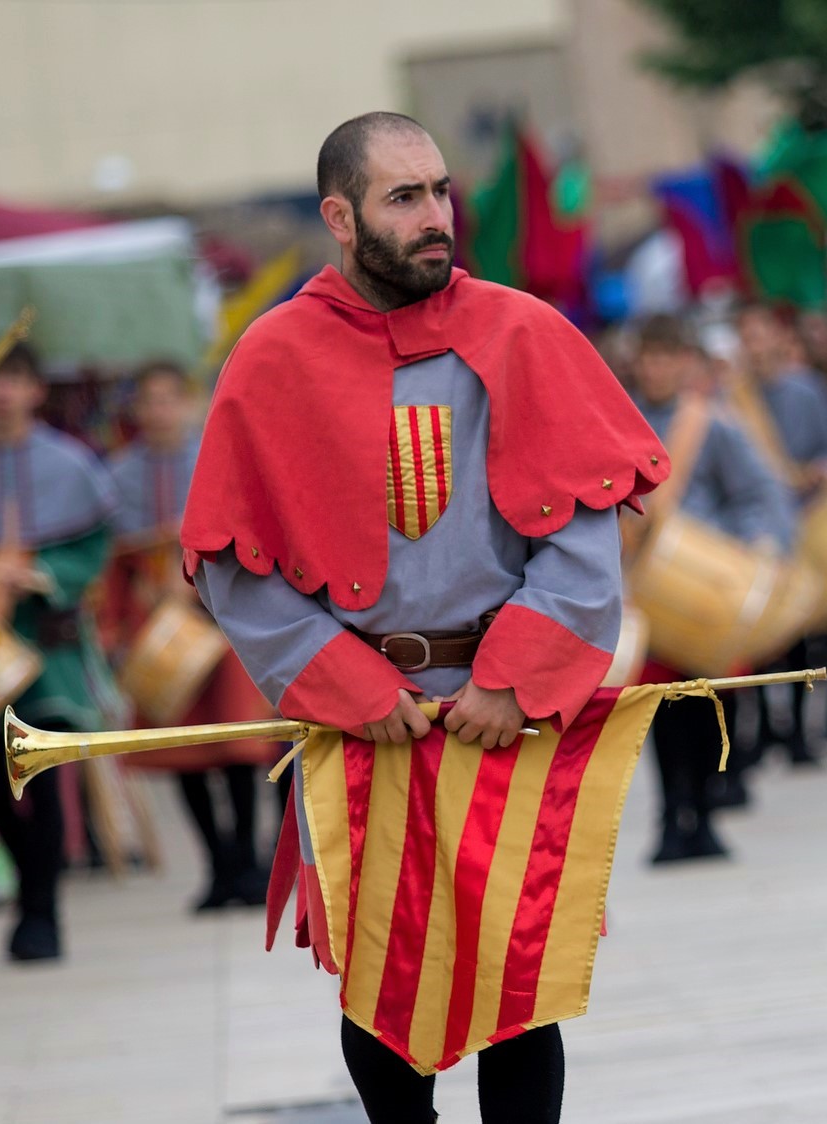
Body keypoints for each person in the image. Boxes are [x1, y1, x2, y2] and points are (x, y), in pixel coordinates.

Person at [185, 112, 665, 1123]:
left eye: (440, 190)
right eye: (404, 197)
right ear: (339, 215)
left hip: (503, 710)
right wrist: (352, 687)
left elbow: (583, 538)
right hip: (364, 722)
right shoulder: (271, 357)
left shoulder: (526, 329)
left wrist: (512, 675)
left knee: (516, 969)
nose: (435, 216)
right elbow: (234, 568)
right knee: (379, 968)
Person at [0, 345, 121, 964]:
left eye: (14, 380)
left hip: (48, 643)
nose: (2, 393)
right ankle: (27, 892)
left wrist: (43, 572)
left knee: (41, 775)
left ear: (35, 389)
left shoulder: (69, 463)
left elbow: (95, 544)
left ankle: (42, 911)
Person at [105, 363, 276, 912]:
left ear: (188, 403)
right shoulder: (116, 477)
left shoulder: (216, 457)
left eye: (168, 400)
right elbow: (115, 564)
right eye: (148, 401)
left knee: (238, 745)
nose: (159, 411)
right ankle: (218, 867)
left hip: (219, 622)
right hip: (157, 629)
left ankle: (249, 866)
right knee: (180, 748)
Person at [626, 315, 795, 863]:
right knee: (658, 707)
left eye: (666, 357)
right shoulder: (616, 424)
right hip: (644, 588)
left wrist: (756, 543)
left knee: (709, 704)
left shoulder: (712, 424)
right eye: (648, 358)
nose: (655, 368)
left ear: (683, 363)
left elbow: (756, 492)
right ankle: (671, 813)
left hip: (706, 584)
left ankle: (703, 809)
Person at [732, 303, 827, 765]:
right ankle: (771, 728)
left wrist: (824, 470)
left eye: (759, 334)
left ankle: (822, 720)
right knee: (767, 636)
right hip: (759, 532)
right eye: (744, 336)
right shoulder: (733, 399)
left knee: (819, 630)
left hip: (807, 520)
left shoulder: (806, 389)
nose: (753, 346)